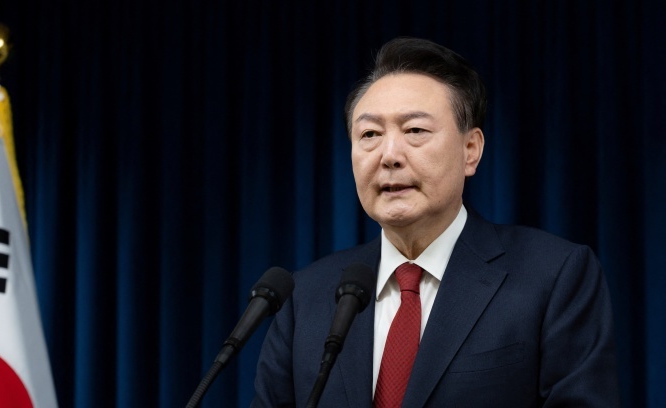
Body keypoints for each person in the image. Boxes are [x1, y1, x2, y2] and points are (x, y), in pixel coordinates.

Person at [252, 37, 619, 407]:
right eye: (370, 134)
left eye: (414, 130)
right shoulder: (304, 299)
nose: (389, 155)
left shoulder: (553, 276)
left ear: (470, 150)